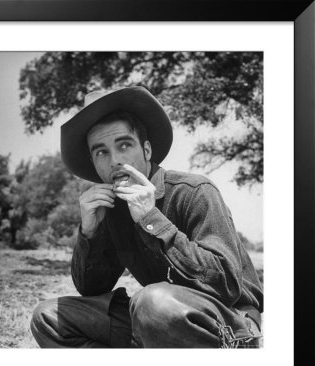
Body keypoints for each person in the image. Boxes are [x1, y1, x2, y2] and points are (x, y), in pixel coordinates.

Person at [30, 86, 263, 348]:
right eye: (101, 152)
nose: (115, 160)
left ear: (147, 150)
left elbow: (227, 286)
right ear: (94, 162)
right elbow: (92, 289)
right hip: (152, 321)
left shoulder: (195, 191)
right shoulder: (112, 207)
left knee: (152, 301)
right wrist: (89, 233)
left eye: (124, 145)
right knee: (48, 316)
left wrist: (151, 218)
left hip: (228, 325)